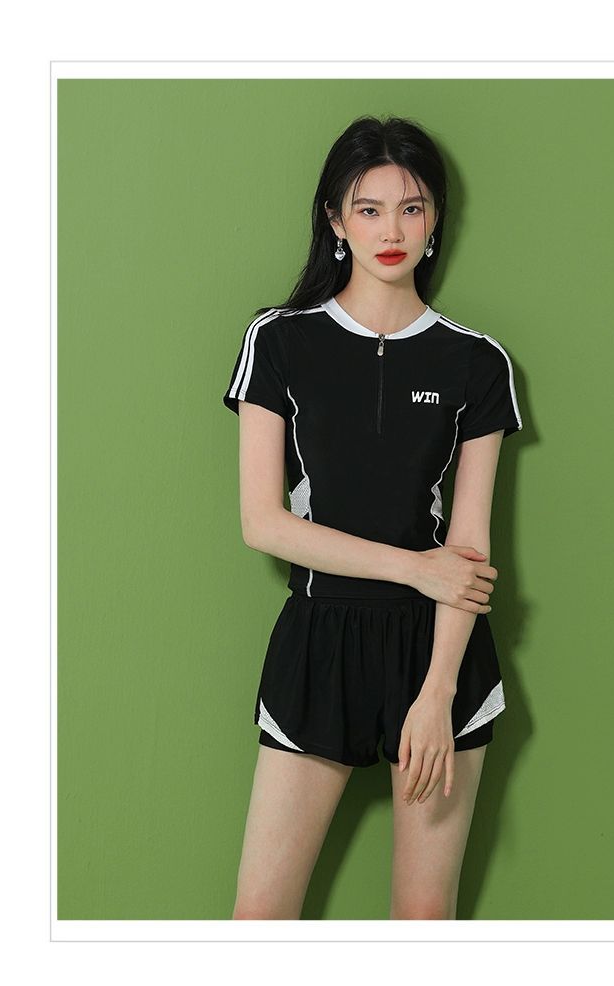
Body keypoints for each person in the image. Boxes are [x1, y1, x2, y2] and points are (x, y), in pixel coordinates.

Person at [223, 115, 523, 921]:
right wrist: (413, 566)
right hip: (318, 642)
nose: (391, 232)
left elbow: (468, 549)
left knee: (423, 923)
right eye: (368, 209)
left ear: (434, 221)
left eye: (411, 208)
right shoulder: (277, 342)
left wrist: (437, 691)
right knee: (257, 922)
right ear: (334, 220)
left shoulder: (476, 362)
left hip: (439, 652)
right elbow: (263, 524)